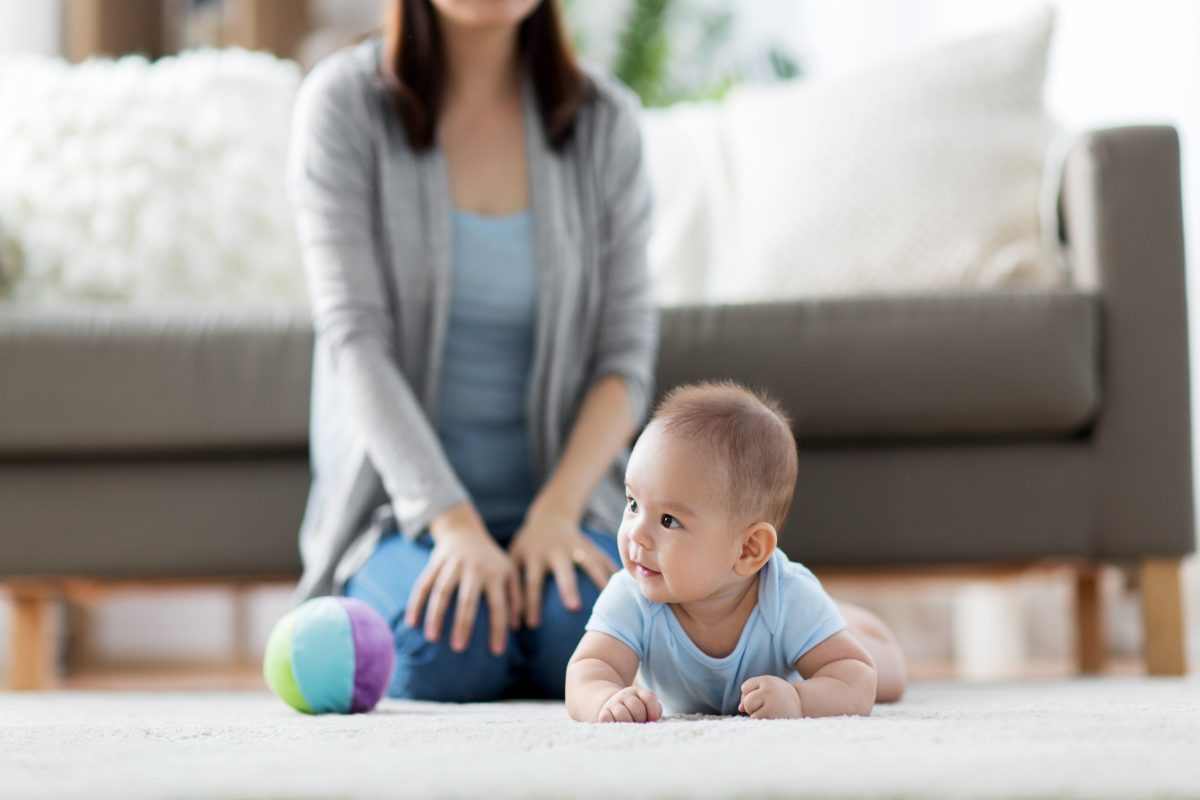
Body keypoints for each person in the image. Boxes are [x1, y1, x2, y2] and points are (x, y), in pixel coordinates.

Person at [287, 0, 657, 701]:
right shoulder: (342, 106)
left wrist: (555, 513)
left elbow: (625, 360)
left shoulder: (607, 122)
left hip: (567, 509)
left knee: (581, 645)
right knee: (447, 653)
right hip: (403, 516)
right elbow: (354, 342)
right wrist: (453, 526)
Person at [565, 380, 908, 722]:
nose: (637, 534)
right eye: (633, 503)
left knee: (887, 676)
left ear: (748, 550)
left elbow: (857, 676)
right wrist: (605, 700)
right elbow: (589, 669)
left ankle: (841, 619)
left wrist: (799, 699)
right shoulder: (633, 592)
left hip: (802, 624)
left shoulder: (787, 597)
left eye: (669, 520)